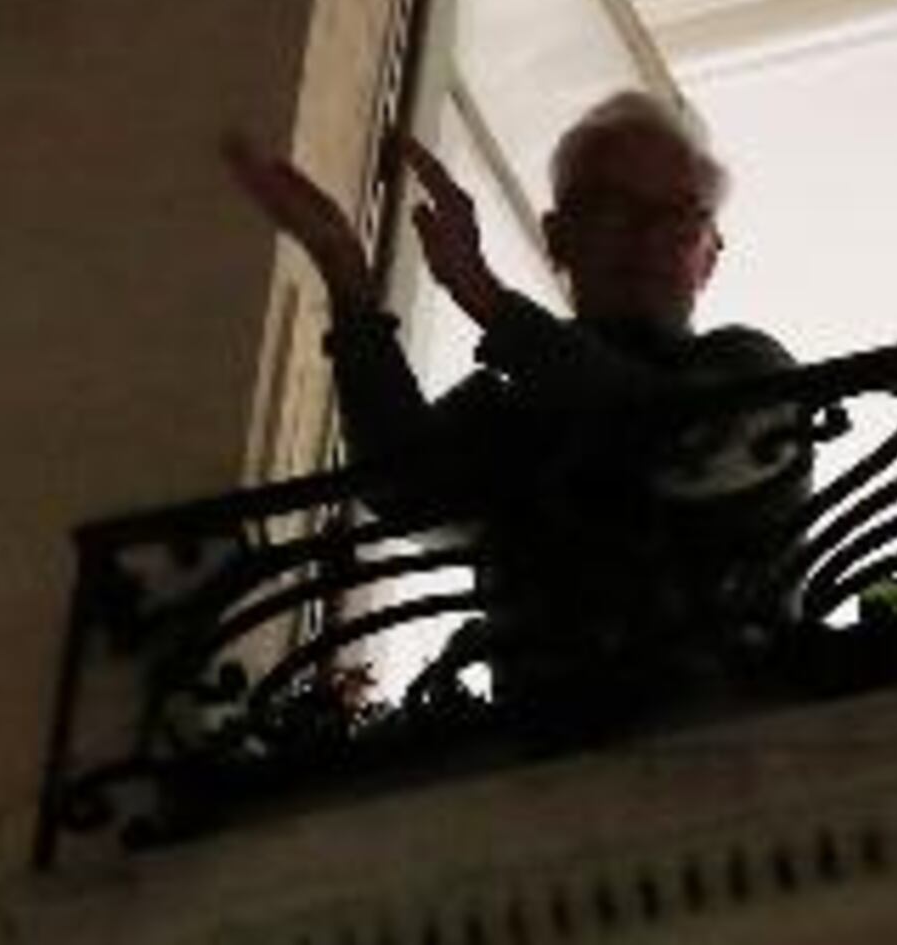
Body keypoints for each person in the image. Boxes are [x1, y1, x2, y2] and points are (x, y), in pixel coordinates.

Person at [220, 92, 800, 736]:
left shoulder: (748, 365)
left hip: (738, 731)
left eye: (677, 219)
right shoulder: (509, 408)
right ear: (557, 239)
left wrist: (488, 299)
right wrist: (346, 278)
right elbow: (404, 486)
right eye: (611, 211)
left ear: (709, 256)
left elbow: (675, 436)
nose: (644, 240)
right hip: (542, 757)